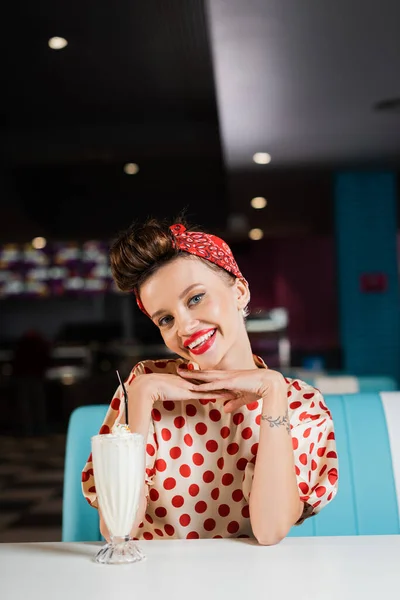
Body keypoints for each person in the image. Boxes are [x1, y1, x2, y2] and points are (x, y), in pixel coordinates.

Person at [82, 218, 338, 544]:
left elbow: (270, 530)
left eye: (195, 298)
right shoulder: (144, 384)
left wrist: (273, 390)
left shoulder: (301, 405)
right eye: (165, 319)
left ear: (240, 292)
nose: (184, 327)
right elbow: (119, 531)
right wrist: (143, 395)